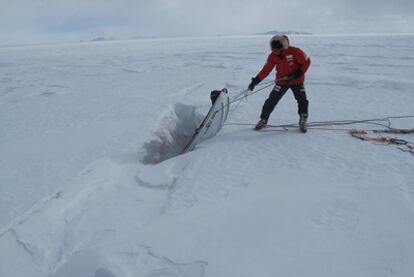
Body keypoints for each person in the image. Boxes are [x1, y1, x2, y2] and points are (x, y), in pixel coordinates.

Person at [248, 35, 311, 132]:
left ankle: (303, 119)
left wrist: (298, 73)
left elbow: (307, 62)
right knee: (271, 100)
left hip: (296, 80)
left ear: (283, 48)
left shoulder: (295, 51)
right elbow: (266, 70)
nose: (275, 52)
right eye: (273, 50)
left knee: (302, 99)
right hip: (282, 81)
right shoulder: (272, 56)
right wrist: (256, 81)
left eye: (277, 50)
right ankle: (263, 120)